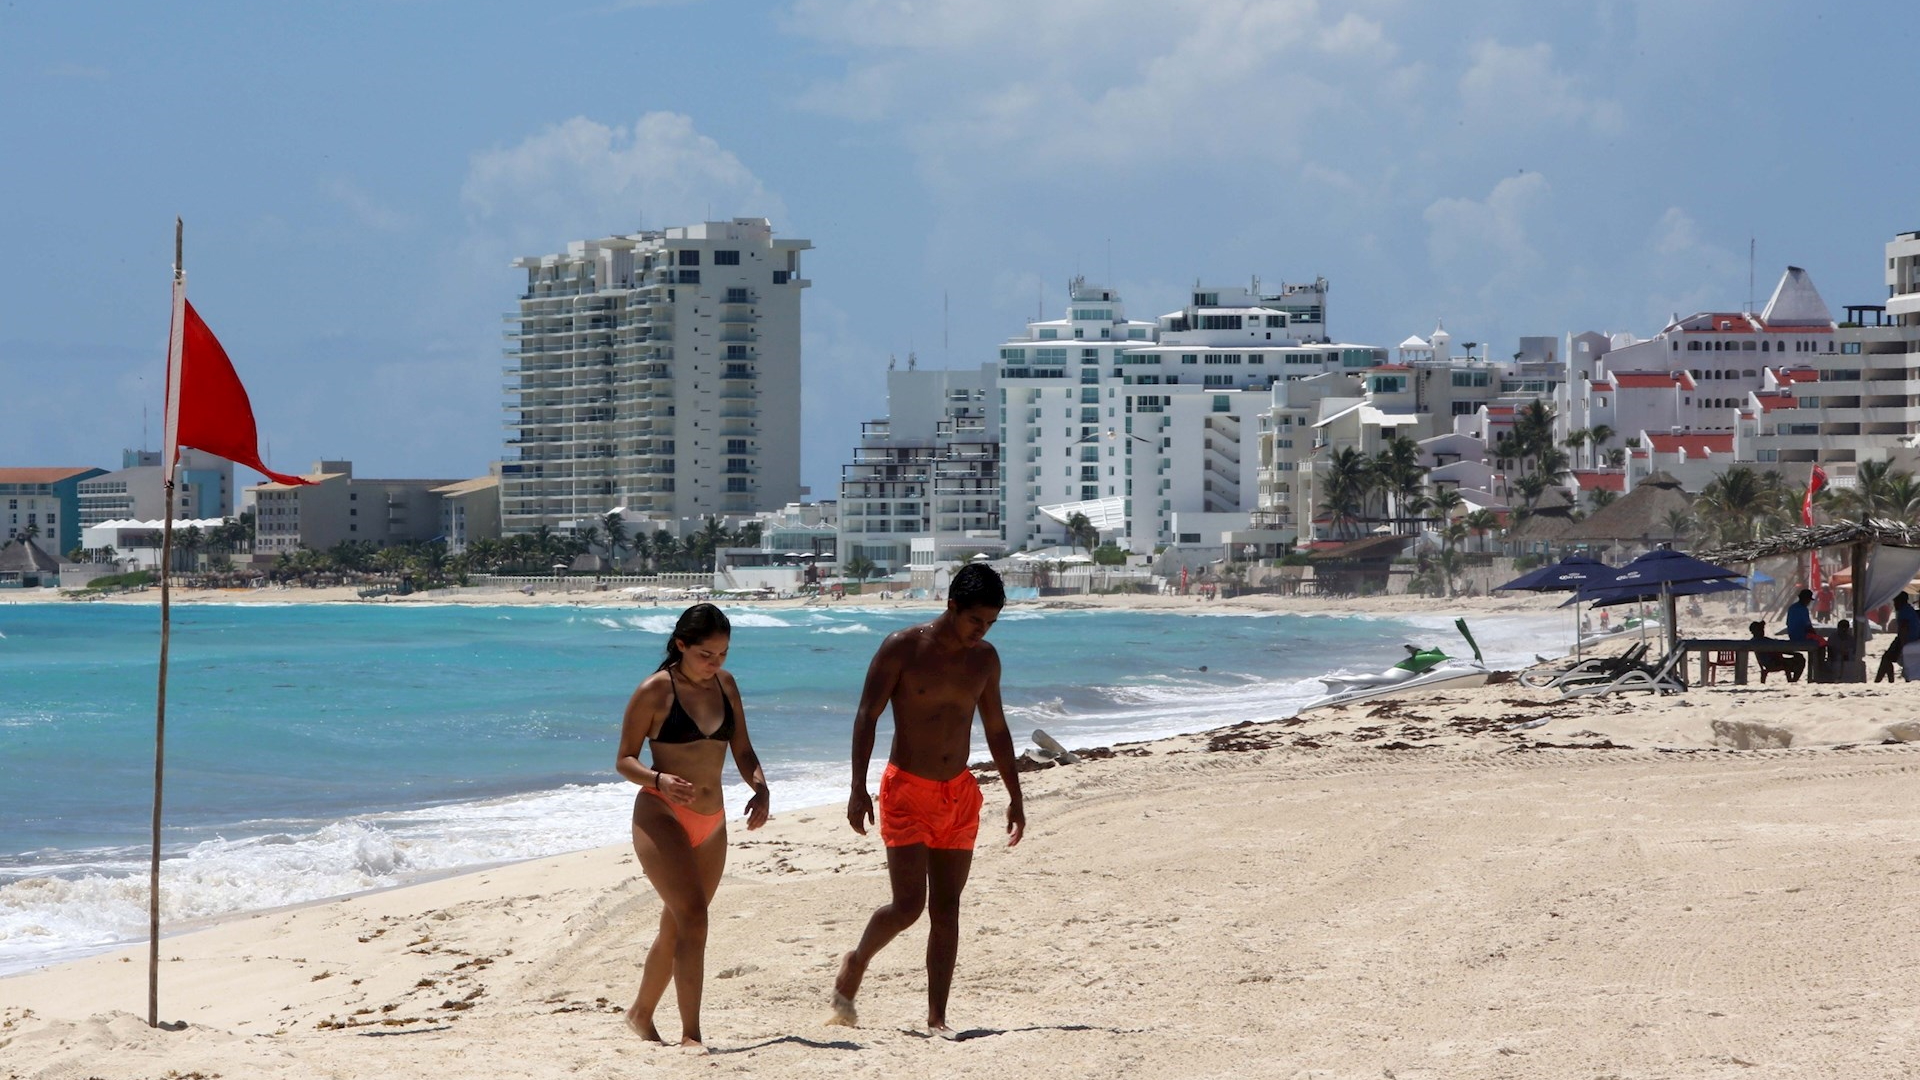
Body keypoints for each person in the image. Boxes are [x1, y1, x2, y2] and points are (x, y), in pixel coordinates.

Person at [827, 563, 1025, 1039]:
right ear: (952, 606)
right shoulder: (903, 648)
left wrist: (1016, 795)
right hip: (907, 789)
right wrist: (857, 787)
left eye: (991, 624)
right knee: (909, 905)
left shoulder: (984, 660)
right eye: (976, 620)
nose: (982, 632)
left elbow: (996, 728)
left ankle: (937, 1017)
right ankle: (856, 962)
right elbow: (866, 716)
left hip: (958, 793)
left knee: (948, 908)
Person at [615, 603, 771, 1051]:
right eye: (706, 654)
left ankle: (640, 1014)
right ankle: (691, 1035)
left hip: (712, 821)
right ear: (681, 645)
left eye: (722, 654)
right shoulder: (655, 691)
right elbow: (624, 759)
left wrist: (760, 787)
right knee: (694, 917)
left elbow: (742, 748)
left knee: (678, 925)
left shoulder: (725, 685)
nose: (715, 663)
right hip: (660, 813)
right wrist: (659, 778)